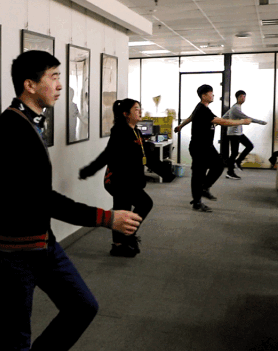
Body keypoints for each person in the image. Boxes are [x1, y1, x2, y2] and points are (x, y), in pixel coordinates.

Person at [0, 50, 142, 351]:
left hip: (39, 241)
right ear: (29, 85)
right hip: (14, 252)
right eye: (53, 77)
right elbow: (41, 198)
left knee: (82, 307)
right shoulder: (13, 129)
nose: (59, 85)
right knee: (14, 340)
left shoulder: (28, 122)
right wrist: (107, 218)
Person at [79, 99, 175, 258]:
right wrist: (89, 170)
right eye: (136, 109)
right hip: (119, 181)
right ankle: (125, 238)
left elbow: (146, 157)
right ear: (126, 114)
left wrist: (165, 173)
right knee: (143, 204)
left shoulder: (136, 131)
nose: (140, 111)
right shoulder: (120, 132)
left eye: (140, 108)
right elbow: (107, 155)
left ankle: (120, 244)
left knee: (123, 210)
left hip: (129, 181)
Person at [176, 84, 250, 212]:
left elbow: (190, 117)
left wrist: (180, 126)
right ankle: (197, 202)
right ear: (204, 96)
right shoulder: (202, 110)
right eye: (211, 93)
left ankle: (204, 188)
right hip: (199, 147)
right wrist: (242, 121)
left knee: (219, 165)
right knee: (199, 174)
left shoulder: (203, 108)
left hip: (207, 146)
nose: (213, 95)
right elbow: (222, 122)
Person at [222, 90, 267, 179]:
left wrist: (229, 121)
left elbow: (224, 117)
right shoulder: (235, 108)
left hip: (238, 133)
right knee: (234, 153)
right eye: (242, 96)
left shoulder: (235, 107)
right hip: (234, 134)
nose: (244, 98)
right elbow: (247, 118)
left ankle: (238, 162)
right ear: (238, 97)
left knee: (249, 146)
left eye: (245, 96)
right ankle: (230, 172)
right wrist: (261, 122)